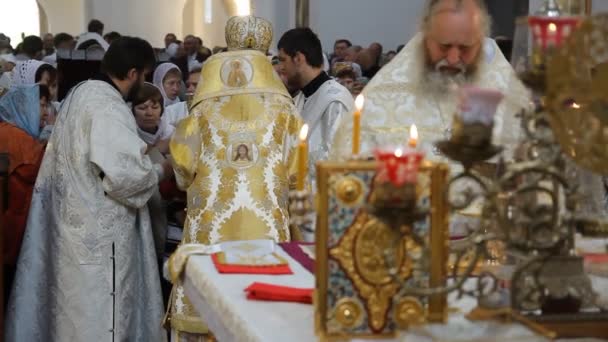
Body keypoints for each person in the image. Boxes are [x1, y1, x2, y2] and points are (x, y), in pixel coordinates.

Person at [5, 36, 170, 341]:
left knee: (74, 314)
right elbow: (126, 177)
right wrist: (163, 168)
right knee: (100, 316)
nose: (144, 80)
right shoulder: (106, 105)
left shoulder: (80, 93)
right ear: (133, 73)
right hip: (100, 236)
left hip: (72, 228)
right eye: (144, 74)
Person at [167, 15, 303, 341]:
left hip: (211, 228)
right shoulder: (285, 108)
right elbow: (299, 176)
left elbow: (183, 172)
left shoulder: (202, 107)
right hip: (267, 226)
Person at [331, 0, 529, 162]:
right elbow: (347, 179)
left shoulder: (510, 101)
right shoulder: (381, 99)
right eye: (444, 46)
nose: (453, 58)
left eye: (465, 48)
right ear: (426, 38)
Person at [277, 27, 353, 188]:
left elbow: (337, 163)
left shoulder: (335, 100)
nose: (280, 68)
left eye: (283, 60)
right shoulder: (300, 97)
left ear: (298, 58)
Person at [0, 84, 49, 306]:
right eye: (41, 105)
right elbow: (34, 168)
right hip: (10, 232)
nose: (46, 112)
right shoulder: (12, 134)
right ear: (24, 106)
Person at [133, 82, 174, 154]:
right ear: (132, 111)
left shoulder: (170, 132)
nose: (149, 113)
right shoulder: (128, 134)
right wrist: (157, 149)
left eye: (155, 108)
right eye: (142, 108)